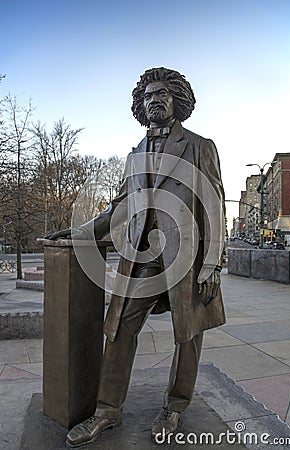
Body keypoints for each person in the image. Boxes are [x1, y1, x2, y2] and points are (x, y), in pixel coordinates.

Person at [49, 67, 226, 448]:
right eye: (147, 96)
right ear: (140, 106)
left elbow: (214, 208)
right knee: (119, 328)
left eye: (162, 93)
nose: (154, 100)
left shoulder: (199, 146)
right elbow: (120, 208)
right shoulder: (134, 156)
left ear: (177, 100)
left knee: (187, 334)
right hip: (142, 258)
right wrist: (80, 232)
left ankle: (175, 407)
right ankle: (107, 411)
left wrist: (211, 263)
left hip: (187, 258)